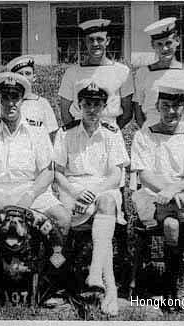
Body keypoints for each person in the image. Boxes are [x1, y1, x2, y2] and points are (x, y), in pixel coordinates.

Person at [0, 72, 71, 308]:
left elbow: (47, 172)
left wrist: (29, 196)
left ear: (23, 100)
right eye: (5, 97)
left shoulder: (37, 130)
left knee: (61, 218)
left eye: (15, 97)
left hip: (30, 191)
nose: (10, 103)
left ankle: (50, 286)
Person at [57, 19, 134, 289]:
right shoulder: (73, 72)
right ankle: (65, 275)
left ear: (108, 40)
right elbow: (65, 109)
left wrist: (105, 130)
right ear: (85, 42)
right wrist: (78, 128)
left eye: (100, 39)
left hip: (107, 144)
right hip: (76, 161)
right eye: (91, 40)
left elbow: (127, 110)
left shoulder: (122, 71)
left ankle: (102, 273)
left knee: (110, 200)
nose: (96, 44)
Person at [130, 78, 184, 311]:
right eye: (166, 106)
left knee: (172, 225)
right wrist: (167, 191)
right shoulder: (144, 136)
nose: (171, 112)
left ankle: (170, 291)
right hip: (150, 197)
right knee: (183, 209)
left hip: (177, 198)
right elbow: (144, 176)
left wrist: (173, 191)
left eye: (176, 106)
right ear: (157, 107)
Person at [54, 79, 130, 316]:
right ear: (79, 105)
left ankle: (96, 273)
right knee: (103, 234)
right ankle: (110, 291)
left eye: (97, 104)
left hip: (103, 188)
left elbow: (117, 172)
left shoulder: (112, 132)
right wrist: (77, 193)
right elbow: (56, 171)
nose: (92, 109)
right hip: (73, 191)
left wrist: (95, 192)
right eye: (87, 104)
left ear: (104, 106)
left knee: (106, 203)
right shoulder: (65, 133)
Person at [133, 17, 184, 131]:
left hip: (180, 129)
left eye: (168, 43)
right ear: (153, 45)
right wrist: (146, 132)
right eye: (159, 44)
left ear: (177, 41)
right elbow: (138, 109)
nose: (164, 48)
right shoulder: (143, 73)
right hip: (151, 128)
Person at [0, 55, 59, 138]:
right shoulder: (2, 105)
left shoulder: (42, 104)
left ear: (34, 77)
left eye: (28, 73)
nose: (24, 77)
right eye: (20, 74)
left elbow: (52, 134)